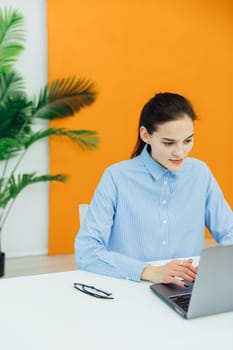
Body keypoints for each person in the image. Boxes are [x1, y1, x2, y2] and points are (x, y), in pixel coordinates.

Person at [75, 92, 233, 287]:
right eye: (168, 143)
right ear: (145, 135)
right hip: (132, 286)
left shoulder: (200, 173)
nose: (180, 152)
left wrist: (215, 270)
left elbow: (230, 230)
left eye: (188, 140)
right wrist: (149, 272)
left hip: (188, 288)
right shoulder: (116, 177)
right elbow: (86, 251)